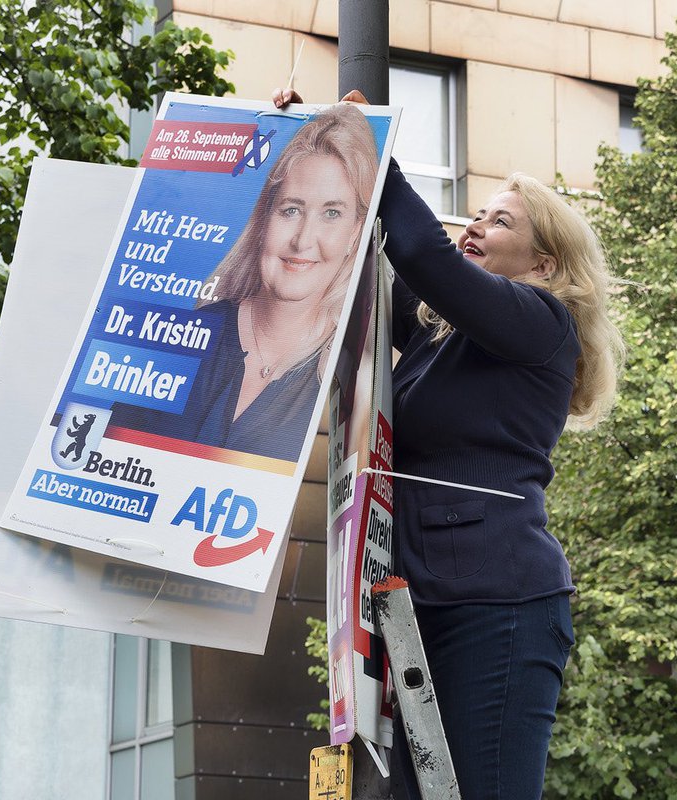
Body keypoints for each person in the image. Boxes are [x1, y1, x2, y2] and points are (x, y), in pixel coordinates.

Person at [275, 88, 624, 798]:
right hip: (418, 598)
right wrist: (309, 139)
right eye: (478, 213)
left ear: (546, 264)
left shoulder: (542, 326)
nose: (477, 225)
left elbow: (423, 254)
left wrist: (372, 150)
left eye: (501, 222)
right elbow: (374, 274)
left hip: (497, 601)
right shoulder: (443, 338)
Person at [110, 104, 379, 462]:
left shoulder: (352, 372)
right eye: (291, 210)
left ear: (355, 233)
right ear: (264, 219)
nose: (303, 240)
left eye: (332, 213)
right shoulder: (180, 340)